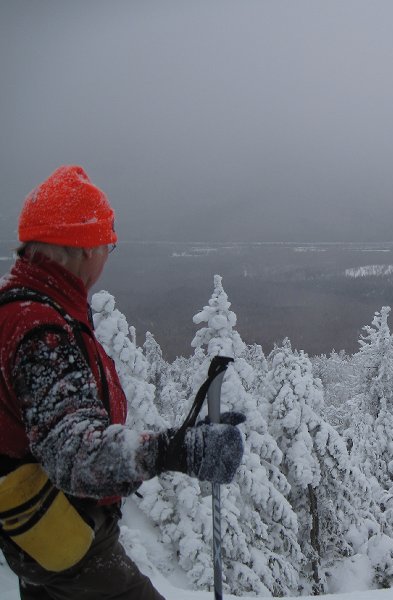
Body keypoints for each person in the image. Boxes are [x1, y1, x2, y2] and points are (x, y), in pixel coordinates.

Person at [0, 165, 245, 599]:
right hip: (67, 545)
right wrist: (177, 450)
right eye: (107, 244)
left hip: (42, 534)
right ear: (82, 247)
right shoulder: (41, 331)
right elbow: (75, 454)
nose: (108, 256)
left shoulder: (29, 310)